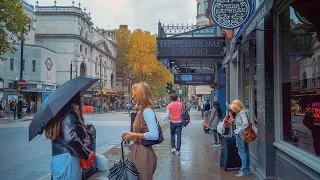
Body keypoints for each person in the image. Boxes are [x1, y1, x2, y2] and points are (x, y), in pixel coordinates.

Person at [44, 92, 94, 180]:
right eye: (81, 96)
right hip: (68, 160)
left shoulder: (57, 113)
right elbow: (70, 139)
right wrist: (86, 154)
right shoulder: (69, 112)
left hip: (57, 159)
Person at [122, 82, 158, 180]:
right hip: (138, 151)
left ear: (143, 95)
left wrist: (132, 135)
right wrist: (132, 137)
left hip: (144, 153)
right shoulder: (141, 110)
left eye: (135, 94)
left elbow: (155, 135)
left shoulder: (147, 111)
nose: (132, 96)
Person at [229, 99, 250, 177]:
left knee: (242, 152)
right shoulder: (243, 112)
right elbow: (242, 123)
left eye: (234, 109)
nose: (233, 110)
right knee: (246, 151)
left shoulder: (241, 113)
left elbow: (245, 123)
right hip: (245, 134)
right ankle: (246, 169)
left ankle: (244, 170)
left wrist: (238, 130)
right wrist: (234, 121)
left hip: (241, 135)